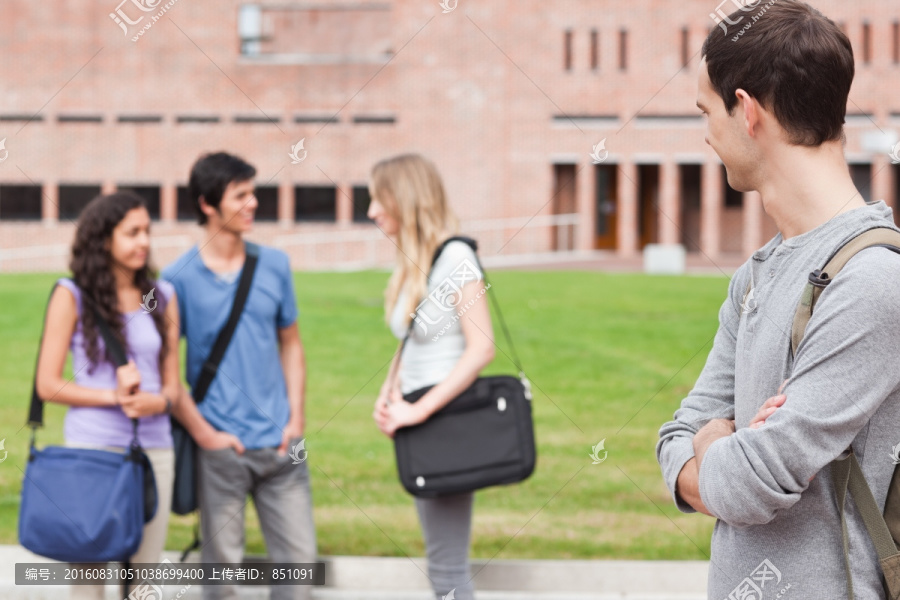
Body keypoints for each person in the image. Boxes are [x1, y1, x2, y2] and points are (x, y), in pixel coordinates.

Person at [657, 1, 900, 598]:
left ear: (746, 112)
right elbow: (676, 432)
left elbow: (751, 484)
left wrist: (716, 447)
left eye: (705, 111)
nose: (706, 134)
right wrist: (720, 449)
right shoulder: (758, 274)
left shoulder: (872, 280)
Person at [35, 191, 241, 600]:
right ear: (103, 238)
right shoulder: (71, 294)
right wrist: (115, 398)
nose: (143, 242)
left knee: (144, 582)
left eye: (147, 231)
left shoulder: (162, 296)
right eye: (132, 233)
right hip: (93, 451)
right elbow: (47, 384)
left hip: (154, 452)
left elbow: (171, 384)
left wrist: (159, 402)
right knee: (89, 582)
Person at [162, 152, 316, 600]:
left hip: (283, 445)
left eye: (253, 193)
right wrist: (206, 435)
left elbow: (292, 343)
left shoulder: (275, 265)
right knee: (222, 580)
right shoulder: (177, 279)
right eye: (241, 195)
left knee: (300, 569)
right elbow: (169, 372)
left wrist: (296, 421)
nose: (253, 204)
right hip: (220, 451)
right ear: (208, 204)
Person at [370, 153, 496, 600]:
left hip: (443, 418)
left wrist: (416, 410)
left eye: (378, 199)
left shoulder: (456, 255)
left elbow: (482, 346)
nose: (371, 211)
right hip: (417, 418)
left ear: (404, 198)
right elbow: (410, 340)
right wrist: (388, 396)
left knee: (446, 566)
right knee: (440, 559)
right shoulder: (413, 259)